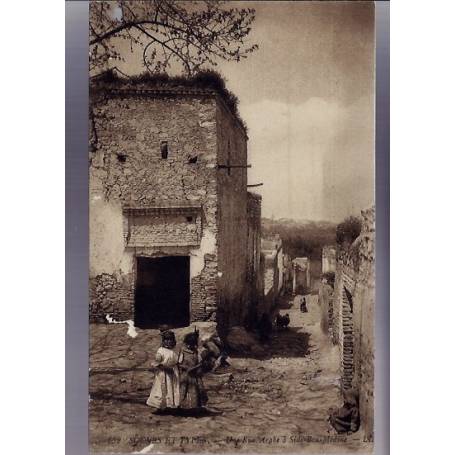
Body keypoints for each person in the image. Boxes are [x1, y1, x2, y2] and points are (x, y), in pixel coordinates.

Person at [146, 330, 180, 413]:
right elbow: (156, 362)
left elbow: (179, 361)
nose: (168, 342)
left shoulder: (177, 350)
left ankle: (172, 406)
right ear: (163, 341)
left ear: (174, 340)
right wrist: (164, 367)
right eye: (166, 340)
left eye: (170, 340)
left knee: (173, 389)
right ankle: (160, 406)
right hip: (163, 373)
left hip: (174, 373)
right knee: (162, 389)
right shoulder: (161, 350)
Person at [178, 329, 208, 411]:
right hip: (185, 375)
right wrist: (186, 368)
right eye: (188, 344)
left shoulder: (196, 352)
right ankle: (182, 407)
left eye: (192, 345)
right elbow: (179, 364)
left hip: (194, 376)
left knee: (196, 390)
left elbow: (199, 362)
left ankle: (194, 407)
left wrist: (198, 366)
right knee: (184, 390)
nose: (189, 346)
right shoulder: (183, 352)